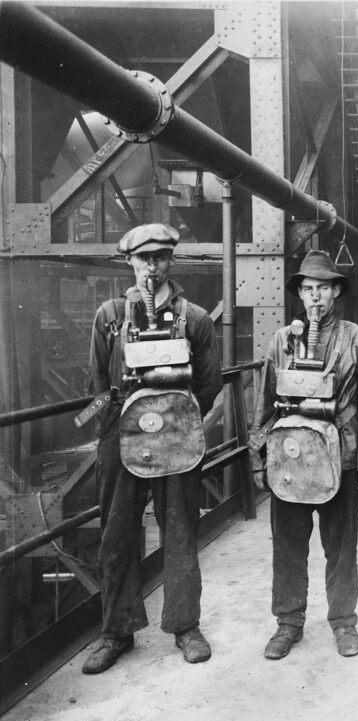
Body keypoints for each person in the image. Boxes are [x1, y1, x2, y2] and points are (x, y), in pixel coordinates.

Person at [82, 223, 222, 674]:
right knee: (117, 532)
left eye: (160, 257)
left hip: (176, 435)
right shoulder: (109, 316)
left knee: (180, 529)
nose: (152, 266)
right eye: (144, 259)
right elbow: (97, 386)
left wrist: (178, 421)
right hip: (123, 434)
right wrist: (112, 433)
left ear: (170, 261)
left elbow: (208, 383)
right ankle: (116, 631)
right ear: (130, 262)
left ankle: (185, 626)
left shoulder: (195, 319)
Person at [251, 250, 358, 660]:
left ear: (335, 293)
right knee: (288, 545)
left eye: (322, 289)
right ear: (300, 295)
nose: (315, 298)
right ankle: (288, 622)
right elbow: (265, 400)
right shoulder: (281, 340)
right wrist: (258, 456)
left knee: (341, 545)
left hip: (339, 459)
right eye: (308, 290)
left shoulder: (356, 339)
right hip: (289, 459)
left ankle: (343, 622)